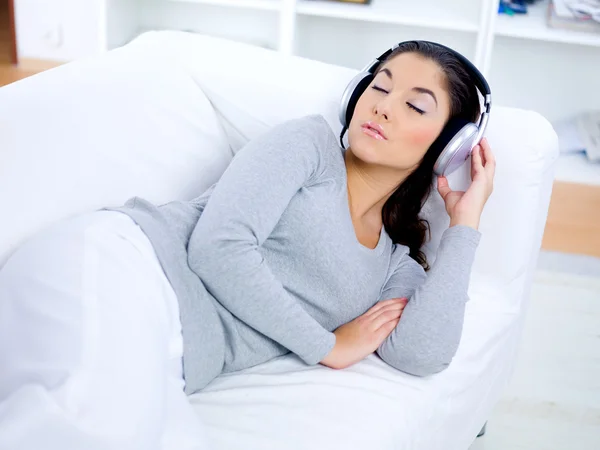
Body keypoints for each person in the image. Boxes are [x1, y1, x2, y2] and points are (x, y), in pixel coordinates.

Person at [0, 41, 495, 449]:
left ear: (448, 146)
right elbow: (219, 248)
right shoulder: (308, 146)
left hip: (174, 356)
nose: (382, 105)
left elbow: (421, 353)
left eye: (413, 104)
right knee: (89, 429)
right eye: (379, 86)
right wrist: (326, 345)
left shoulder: (392, 264)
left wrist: (465, 223)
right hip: (124, 266)